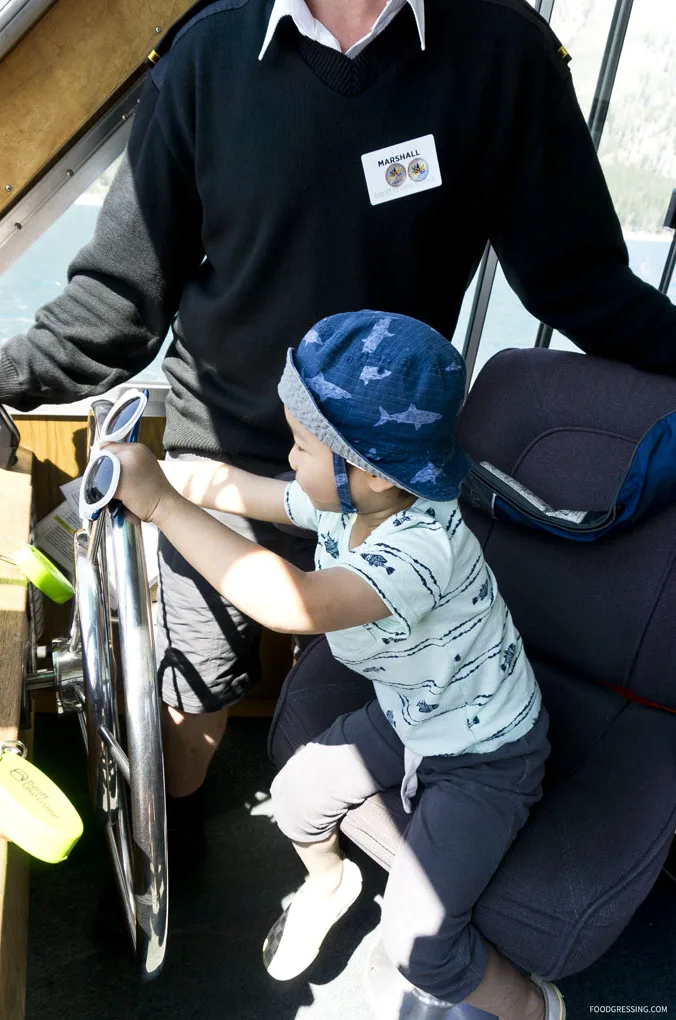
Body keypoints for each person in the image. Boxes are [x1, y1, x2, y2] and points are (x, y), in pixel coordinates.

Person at [0, 0, 675, 843]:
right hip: (224, 452)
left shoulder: (505, 56)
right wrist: (5, 377)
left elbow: (585, 285)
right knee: (193, 684)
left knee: (386, 689)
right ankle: (175, 838)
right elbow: (117, 303)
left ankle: (362, 859)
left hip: (386, 482)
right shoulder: (208, 54)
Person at [106, 309, 561, 1019]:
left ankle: (530, 1006)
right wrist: (168, 475)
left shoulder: (421, 550)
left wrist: (161, 506)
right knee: (293, 799)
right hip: (408, 713)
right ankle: (330, 882)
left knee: (420, 946)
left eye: (301, 447)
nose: (289, 459)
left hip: (484, 752)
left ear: (371, 473)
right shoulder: (348, 507)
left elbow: (295, 604)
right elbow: (247, 492)